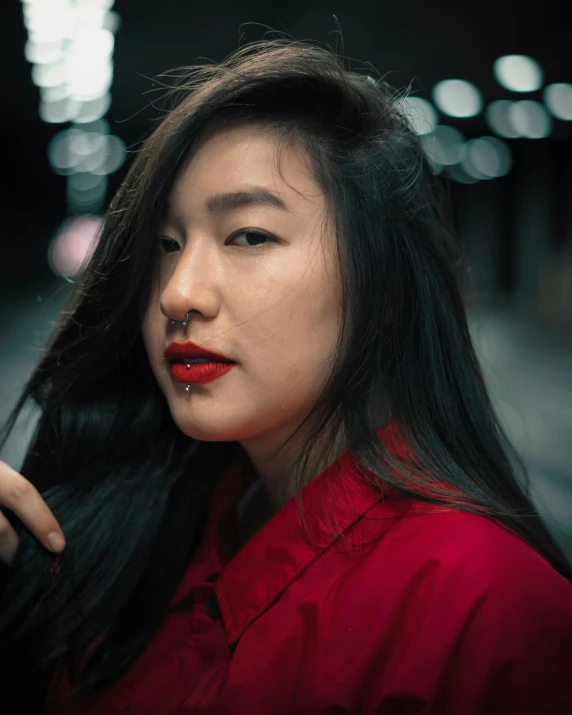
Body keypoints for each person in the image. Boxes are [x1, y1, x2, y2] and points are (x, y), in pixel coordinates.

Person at [0, 38, 571, 715]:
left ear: (381, 284)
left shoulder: (485, 605)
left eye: (249, 236)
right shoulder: (127, 528)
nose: (178, 293)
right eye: (167, 244)